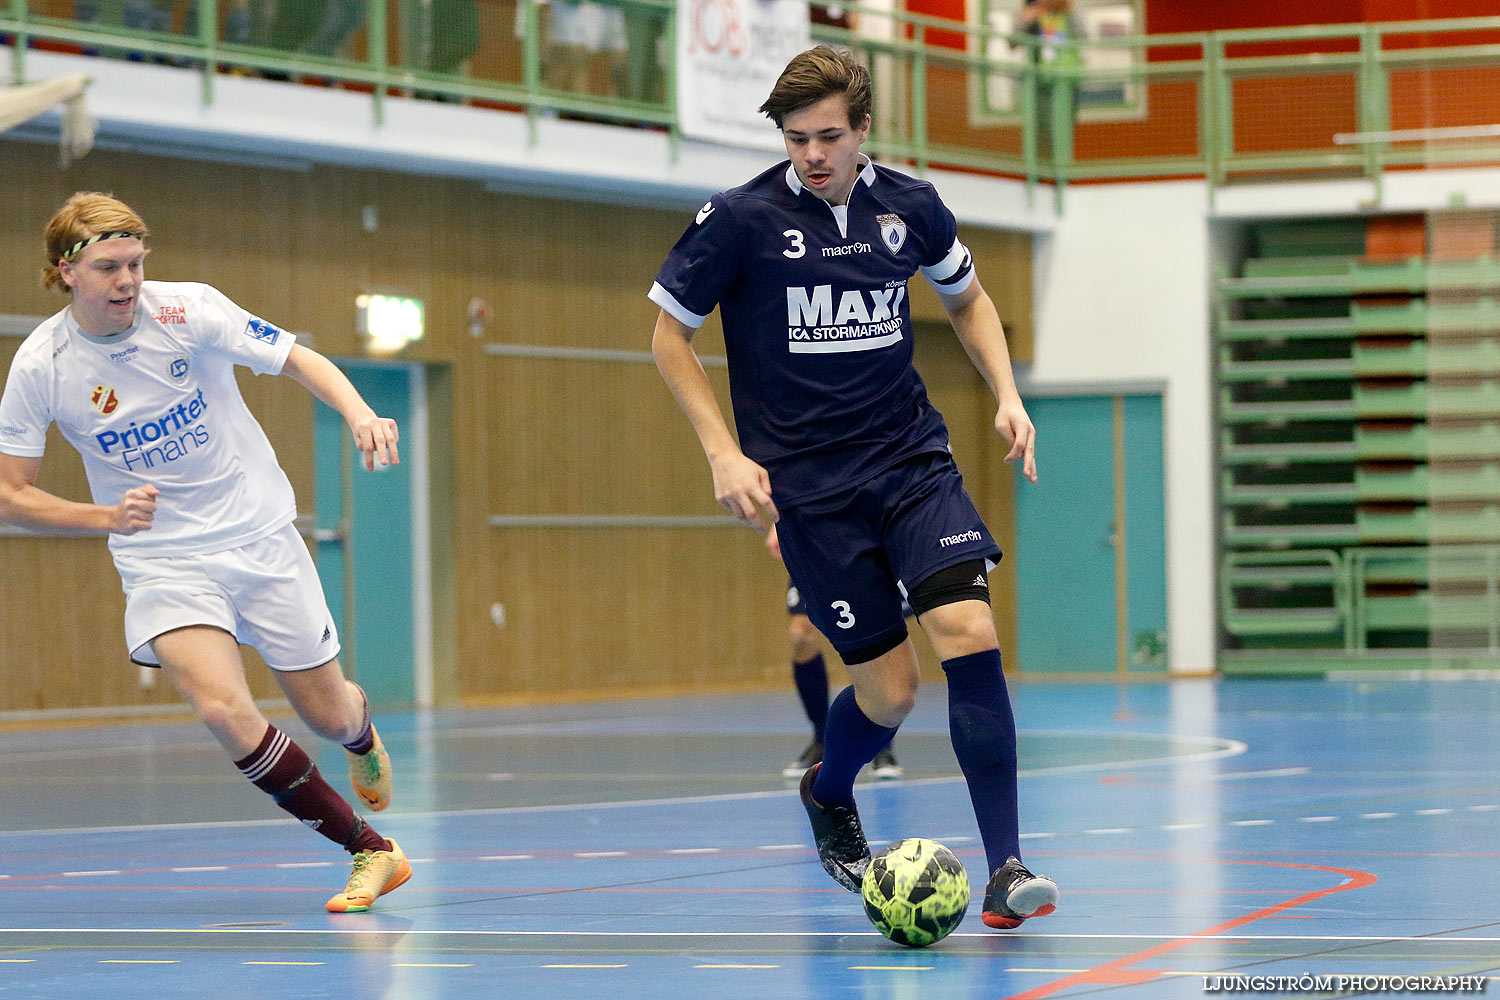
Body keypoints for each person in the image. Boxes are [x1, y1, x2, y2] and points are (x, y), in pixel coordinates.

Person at [649, 46, 1058, 930]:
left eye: (829, 136)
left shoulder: (909, 207)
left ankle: (1008, 869)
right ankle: (829, 788)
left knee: (969, 629)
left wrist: (1009, 395)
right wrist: (723, 451)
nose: (813, 155)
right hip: (813, 497)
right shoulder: (740, 219)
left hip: (912, 464)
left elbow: (969, 299)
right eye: (797, 139)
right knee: (892, 693)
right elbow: (667, 338)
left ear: (863, 129)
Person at [0, 192, 410, 914]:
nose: (127, 281)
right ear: (65, 272)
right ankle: (370, 850)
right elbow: (10, 493)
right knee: (222, 708)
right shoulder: (43, 366)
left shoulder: (188, 310)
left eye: (135, 263)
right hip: (163, 558)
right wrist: (105, 517)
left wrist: (360, 411)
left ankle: (360, 729)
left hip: (257, 534)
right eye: (107, 268)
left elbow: (296, 358)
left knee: (326, 715)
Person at [768, 525, 901, 781]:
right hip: (814, 531)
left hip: (868, 527)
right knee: (801, 635)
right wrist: (780, 519)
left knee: (881, 630)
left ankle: (882, 745)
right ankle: (821, 737)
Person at [1020, 0, 1083, 164]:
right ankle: (1040, 169)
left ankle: (1062, 169)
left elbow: (1083, 36)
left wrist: (1069, 10)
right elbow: (1013, 41)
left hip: (1068, 80)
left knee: (1064, 128)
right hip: (1041, 82)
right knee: (1041, 129)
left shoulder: (1069, 13)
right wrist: (1027, 21)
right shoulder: (1032, 12)